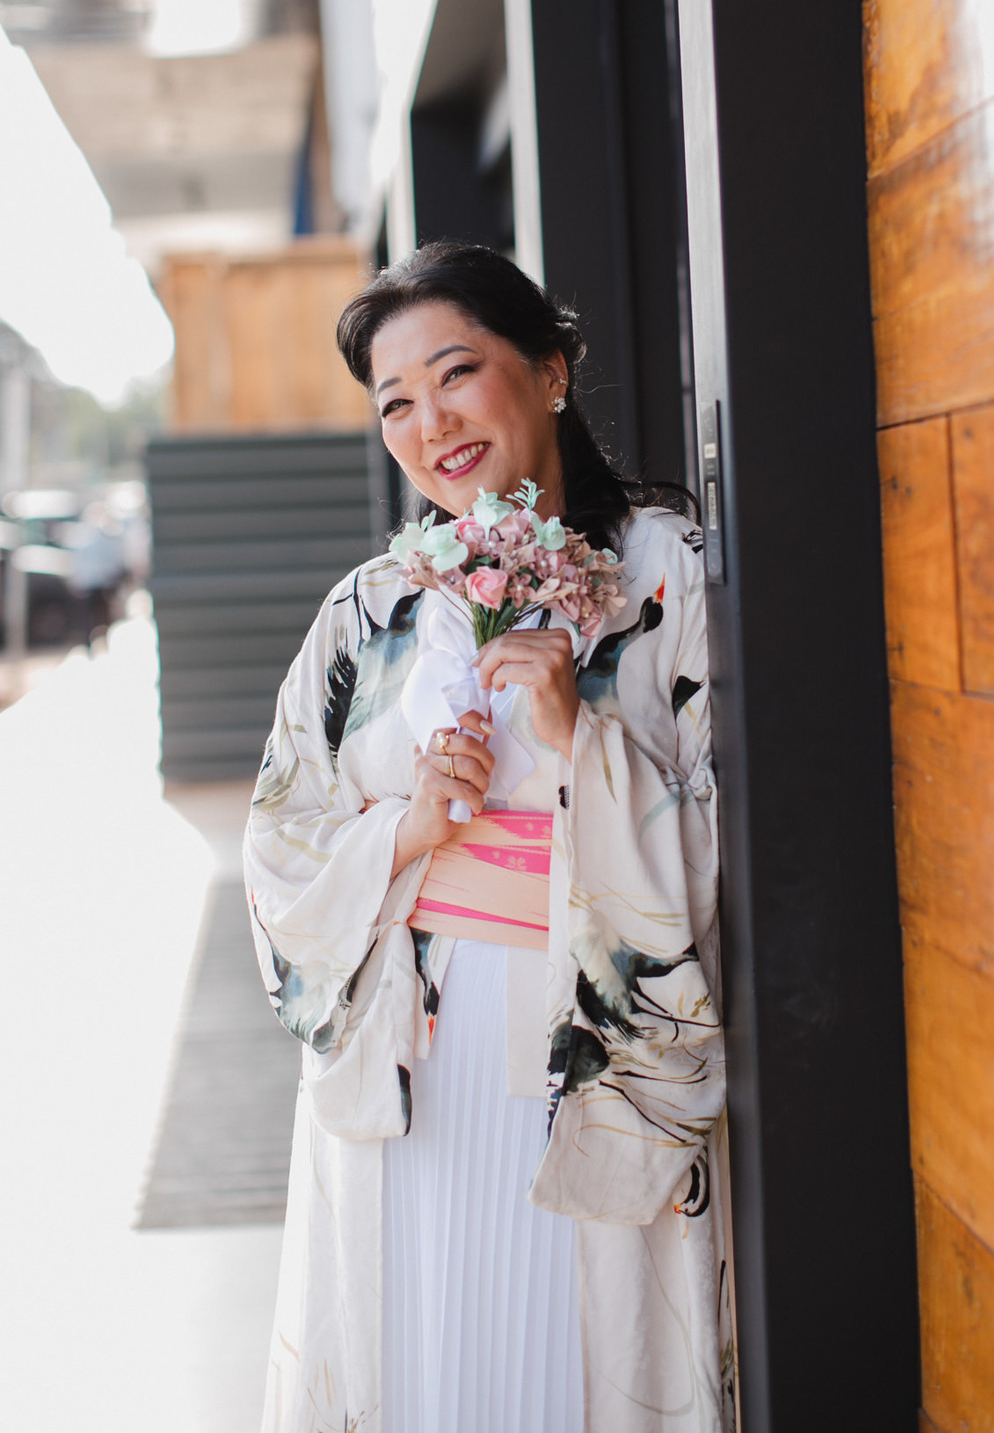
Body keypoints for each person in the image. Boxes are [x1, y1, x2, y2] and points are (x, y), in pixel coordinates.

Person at [244, 242, 733, 1433]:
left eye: (457, 373)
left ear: (552, 371)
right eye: (395, 402)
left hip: (586, 1065)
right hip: (411, 1078)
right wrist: (404, 832)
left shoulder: (674, 579)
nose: (431, 422)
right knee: (422, 1374)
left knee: (578, 1373)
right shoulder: (370, 610)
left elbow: (749, 832)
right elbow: (279, 844)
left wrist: (581, 743)